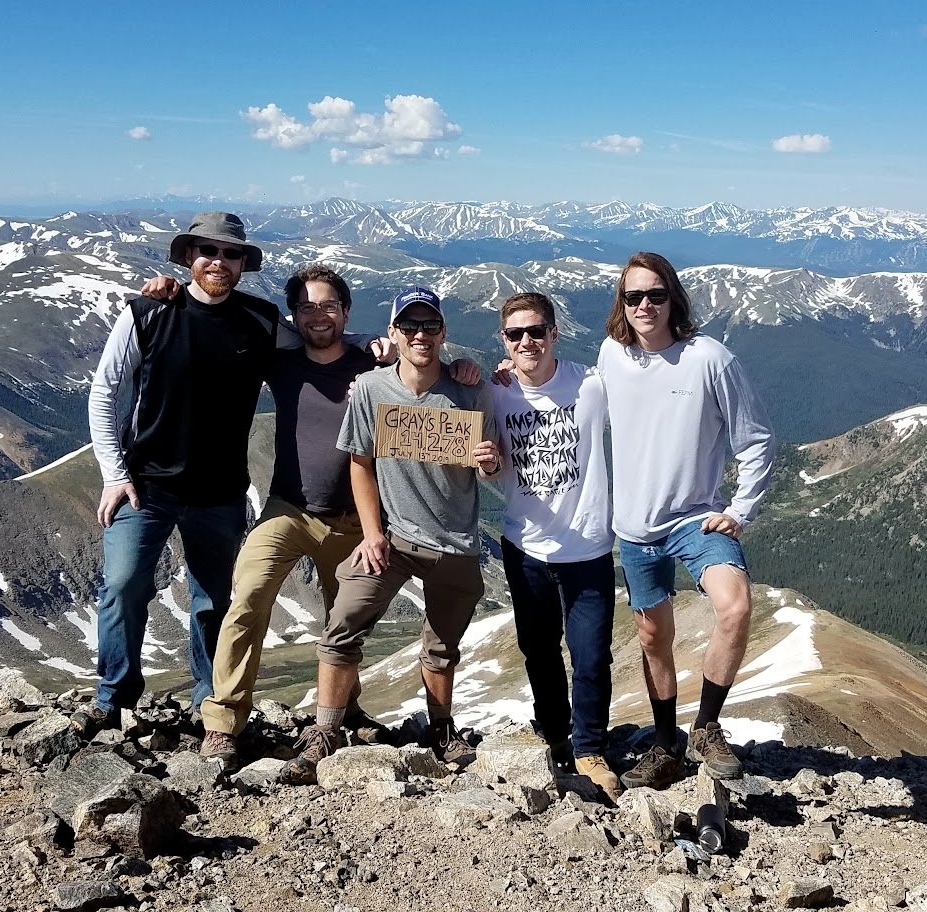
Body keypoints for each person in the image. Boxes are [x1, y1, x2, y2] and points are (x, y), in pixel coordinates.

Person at [77, 213, 384, 736]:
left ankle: (207, 700)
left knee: (214, 599)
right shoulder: (148, 311)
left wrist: (380, 344)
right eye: (207, 252)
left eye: (231, 254)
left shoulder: (261, 322)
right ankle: (114, 695)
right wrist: (113, 471)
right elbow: (105, 391)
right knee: (124, 585)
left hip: (220, 491)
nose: (218, 262)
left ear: (244, 264)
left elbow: (318, 334)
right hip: (146, 484)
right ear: (187, 257)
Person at [282, 286, 501, 783]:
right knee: (344, 622)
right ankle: (325, 732)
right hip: (394, 541)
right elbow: (360, 463)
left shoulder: (471, 390)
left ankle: (440, 730)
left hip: (456, 543)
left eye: (429, 326)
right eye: (410, 326)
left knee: (443, 646)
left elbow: (489, 470)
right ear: (394, 334)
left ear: (444, 333)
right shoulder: (371, 390)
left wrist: (489, 465)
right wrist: (372, 532)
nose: (420, 334)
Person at [597, 252, 775, 788]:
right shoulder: (612, 354)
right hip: (634, 528)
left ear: (673, 297)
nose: (645, 305)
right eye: (634, 297)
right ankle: (664, 742)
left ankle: (706, 727)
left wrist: (741, 509)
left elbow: (756, 437)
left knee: (735, 604)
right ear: (621, 305)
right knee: (653, 639)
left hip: (696, 521)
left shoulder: (709, 358)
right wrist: (512, 378)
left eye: (655, 294)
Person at [487, 292, 619, 798]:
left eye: (537, 331)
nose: (527, 342)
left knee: (590, 656)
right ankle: (554, 737)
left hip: (587, 547)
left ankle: (589, 747)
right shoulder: (496, 393)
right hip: (525, 547)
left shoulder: (590, 384)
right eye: (516, 334)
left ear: (554, 334)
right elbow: (493, 462)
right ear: (504, 340)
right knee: (538, 651)